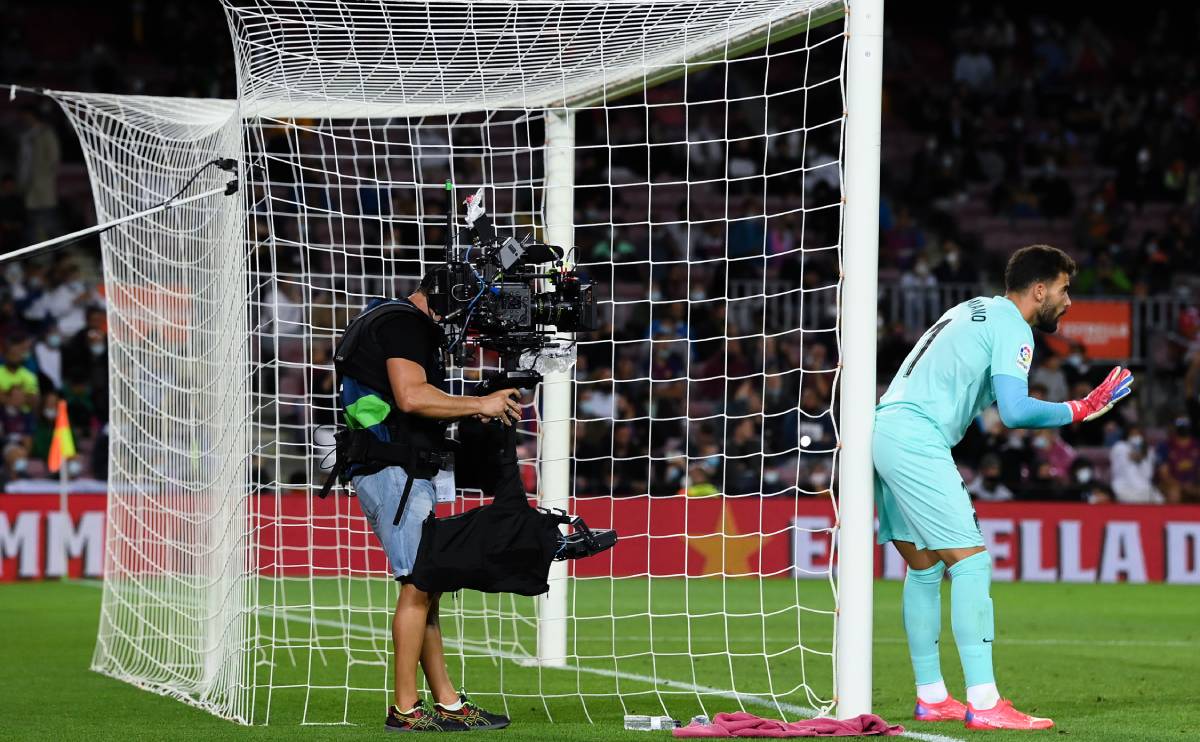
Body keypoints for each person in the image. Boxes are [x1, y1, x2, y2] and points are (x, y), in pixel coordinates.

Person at [874, 245, 1132, 731]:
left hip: (885, 428)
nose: (1069, 302)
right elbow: (1014, 411)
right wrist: (1079, 408)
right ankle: (985, 701)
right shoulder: (1013, 326)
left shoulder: (973, 309)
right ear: (1040, 290)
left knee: (925, 569)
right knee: (971, 564)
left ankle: (932, 696)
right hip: (915, 436)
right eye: (1064, 290)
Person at [333, 272, 521, 732]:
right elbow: (412, 397)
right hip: (393, 469)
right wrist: (480, 405)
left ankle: (448, 703)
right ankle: (404, 709)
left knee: (427, 584)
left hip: (391, 466)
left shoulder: (385, 317)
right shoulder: (404, 323)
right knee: (419, 585)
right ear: (449, 296)